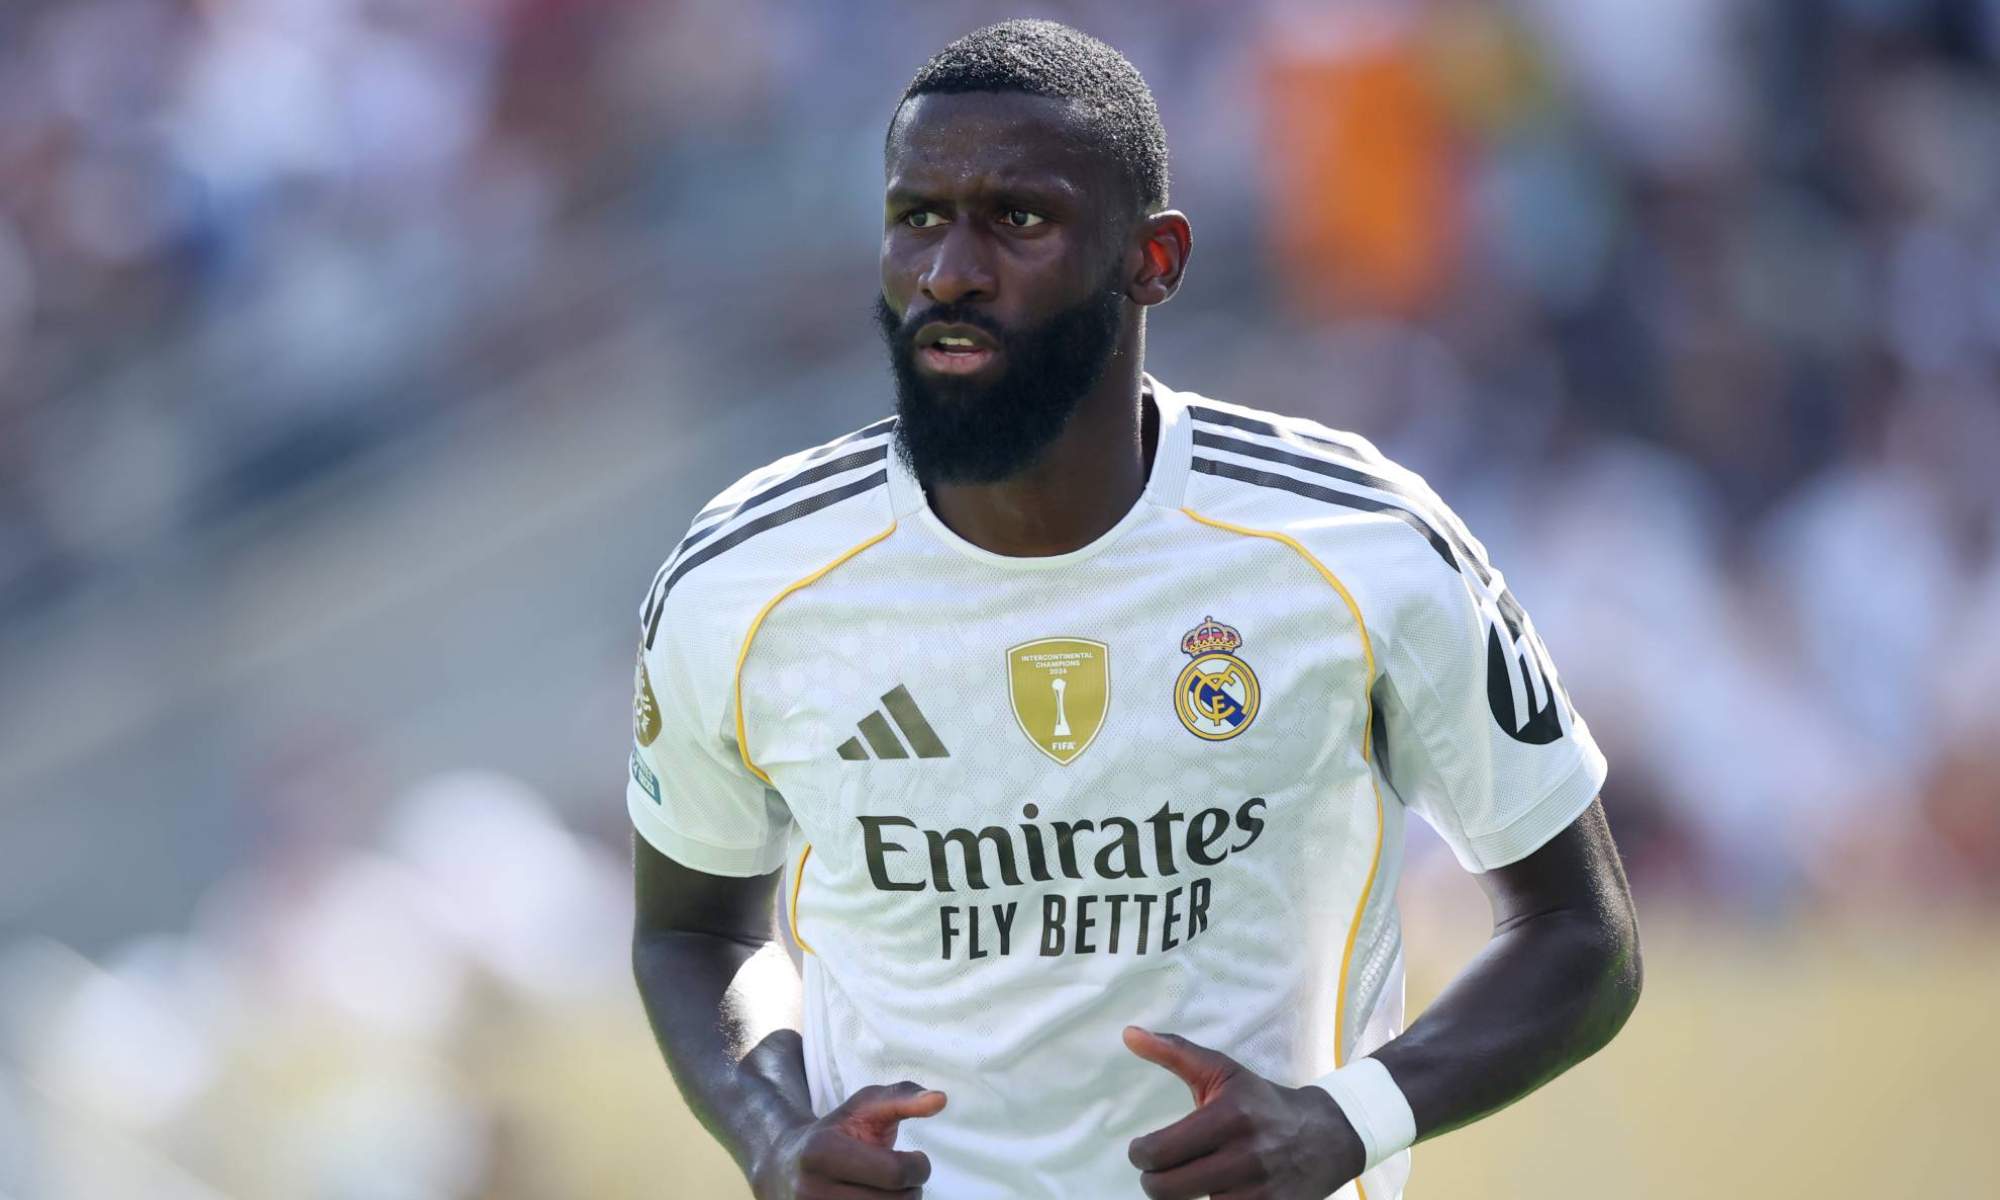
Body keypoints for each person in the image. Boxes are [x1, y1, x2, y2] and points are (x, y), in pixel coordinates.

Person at [629, 19, 1641, 1200]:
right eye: (916, 217)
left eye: (1017, 219)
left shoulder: (1361, 546)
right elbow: (696, 931)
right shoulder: (742, 578)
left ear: (1153, 259)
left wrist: (1345, 1119)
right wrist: (767, 1130)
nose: (949, 270)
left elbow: (1581, 929)